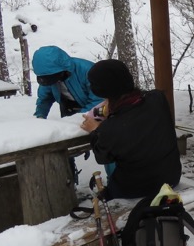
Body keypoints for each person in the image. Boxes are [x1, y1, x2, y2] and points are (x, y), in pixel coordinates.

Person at [80, 59, 181, 200]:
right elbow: (137, 115)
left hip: (134, 189)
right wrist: (114, 109)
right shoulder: (158, 98)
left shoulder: (110, 128)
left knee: (114, 166)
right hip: (171, 177)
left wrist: (96, 130)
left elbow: (102, 157)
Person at [31, 46, 103, 118]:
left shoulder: (88, 71)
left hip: (96, 109)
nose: (47, 80)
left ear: (61, 71)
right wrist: (40, 116)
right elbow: (45, 98)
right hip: (68, 107)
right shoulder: (47, 77)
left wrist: (80, 118)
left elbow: (99, 100)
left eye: (51, 77)